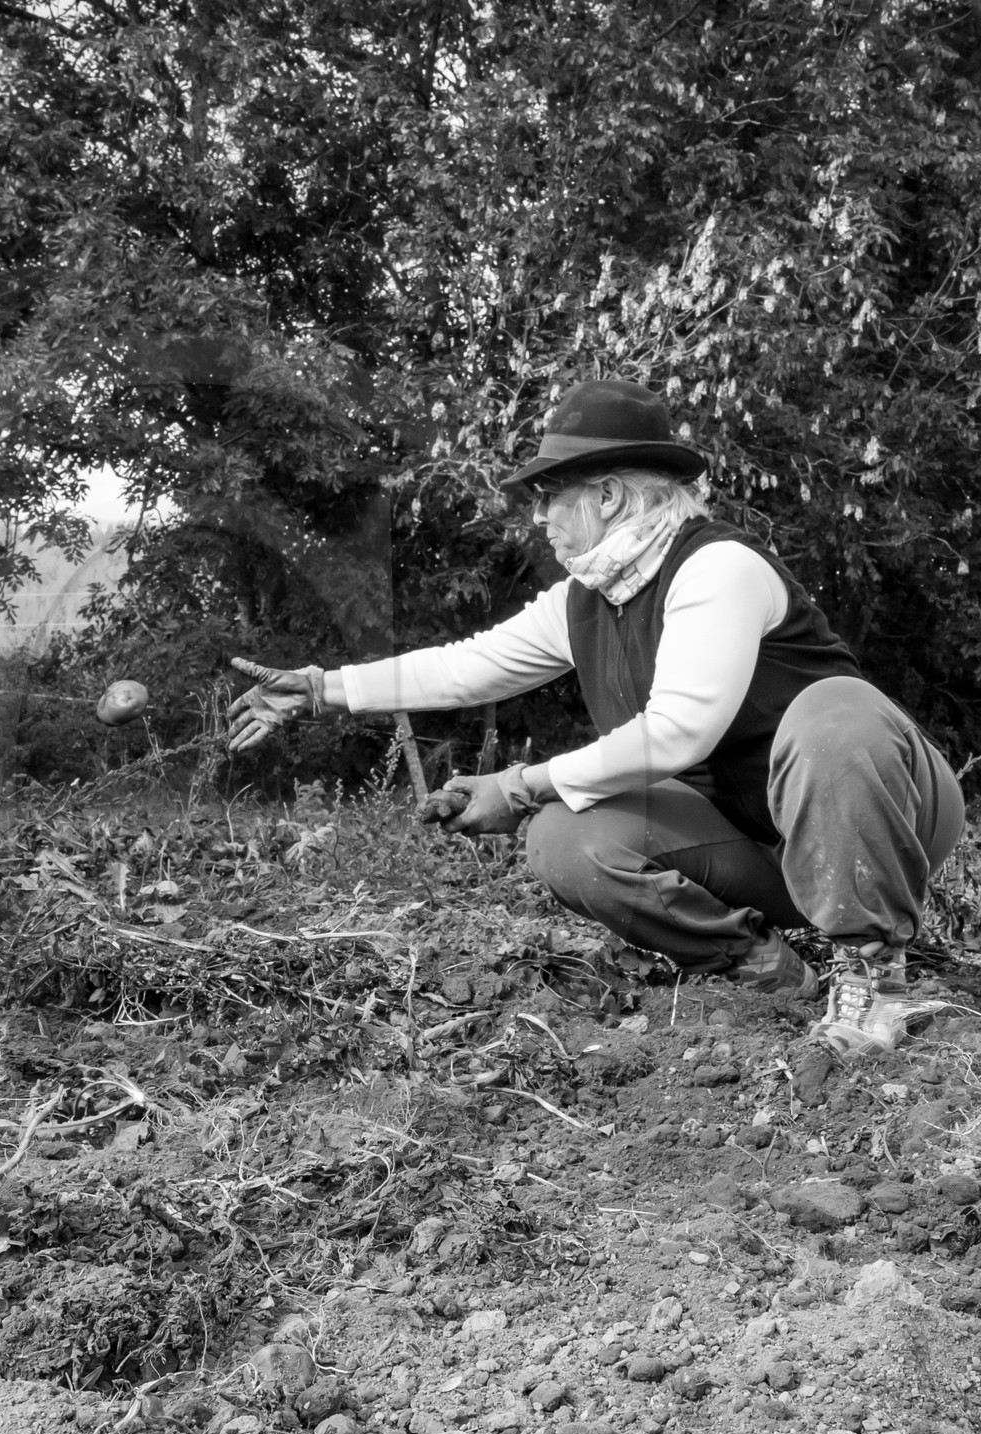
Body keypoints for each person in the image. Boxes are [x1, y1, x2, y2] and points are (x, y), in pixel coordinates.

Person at [227, 378, 965, 1058]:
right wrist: (322, 689)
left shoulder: (718, 568)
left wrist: (519, 783)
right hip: (760, 848)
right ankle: (762, 966)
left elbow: (679, 730)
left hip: (883, 821)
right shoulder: (586, 600)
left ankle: (872, 978)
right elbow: (463, 666)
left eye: (551, 494)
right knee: (566, 835)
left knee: (834, 711)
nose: (539, 515)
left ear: (607, 495)